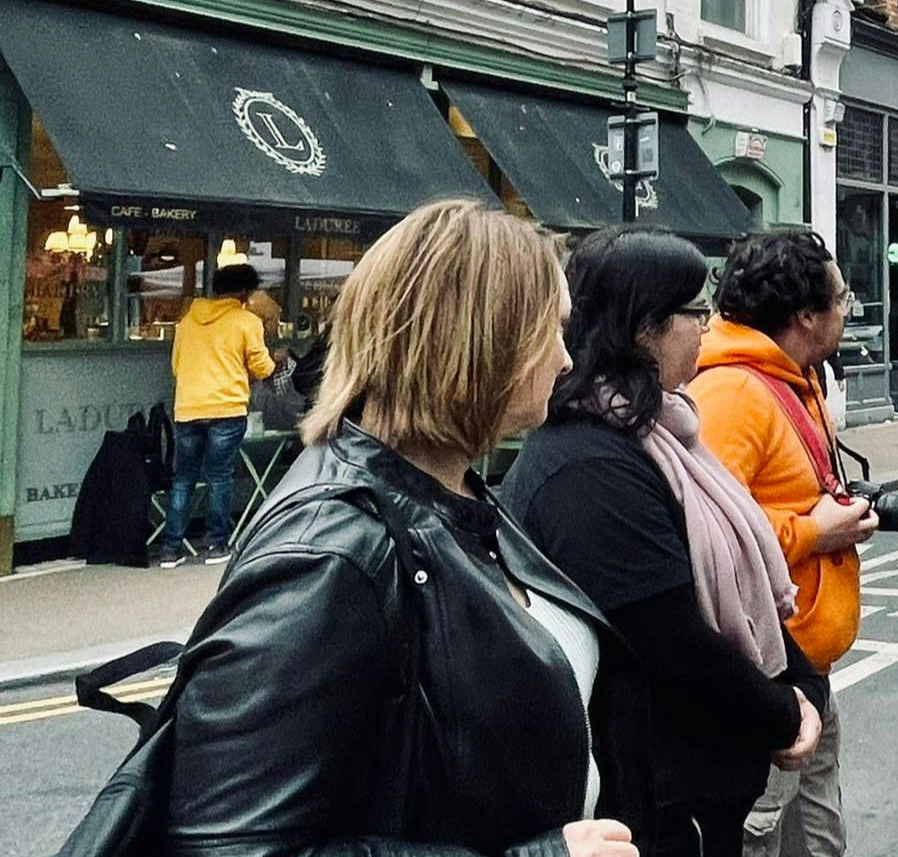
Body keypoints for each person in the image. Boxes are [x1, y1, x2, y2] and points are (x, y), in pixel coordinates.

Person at [67, 199, 649, 856]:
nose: (566, 360)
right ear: (483, 340)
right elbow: (228, 847)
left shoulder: (447, 486)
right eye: (552, 330)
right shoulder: (329, 555)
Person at [502, 227, 828, 857]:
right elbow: (670, 640)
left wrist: (802, 683)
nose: (706, 327)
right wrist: (784, 712)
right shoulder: (588, 467)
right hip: (656, 808)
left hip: (698, 791)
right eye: (694, 311)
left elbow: (737, 589)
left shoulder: (665, 432)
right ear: (644, 328)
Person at [694, 230, 874, 857]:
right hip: (768, 668)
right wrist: (816, 532)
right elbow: (710, 534)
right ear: (805, 316)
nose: (847, 309)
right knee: (761, 828)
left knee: (818, 830)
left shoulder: (793, 376)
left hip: (805, 664)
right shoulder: (732, 392)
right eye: (840, 298)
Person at [160, 262, 286, 566]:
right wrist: (275, 359)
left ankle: (170, 549)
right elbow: (262, 368)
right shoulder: (246, 321)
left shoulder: (188, 322)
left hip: (189, 407)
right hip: (226, 407)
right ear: (244, 291)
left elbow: (177, 366)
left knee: (184, 478)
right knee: (219, 477)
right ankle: (217, 545)